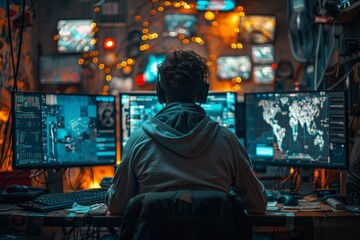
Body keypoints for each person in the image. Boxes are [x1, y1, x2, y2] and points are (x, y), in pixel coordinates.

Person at [105, 49, 267, 215]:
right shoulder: (227, 140)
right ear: (203, 93)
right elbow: (258, 204)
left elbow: (116, 206)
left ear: (160, 91)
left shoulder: (138, 139)